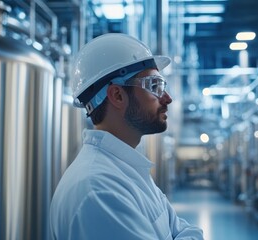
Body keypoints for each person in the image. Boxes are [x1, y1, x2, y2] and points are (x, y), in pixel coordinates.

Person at [49, 33, 204, 240]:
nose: (167, 98)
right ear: (117, 96)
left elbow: (187, 230)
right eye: (154, 86)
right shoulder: (98, 190)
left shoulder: (128, 170)